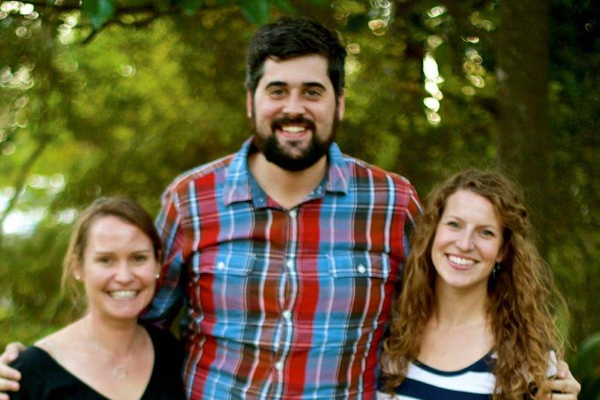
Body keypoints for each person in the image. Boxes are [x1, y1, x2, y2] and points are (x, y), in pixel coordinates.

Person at [0, 17, 580, 400]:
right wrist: (39, 365)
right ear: (251, 101)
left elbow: (456, 290)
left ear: (339, 103)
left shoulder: (391, 202)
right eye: (277, 90)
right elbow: (132, 316)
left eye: (312, 91)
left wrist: (540, 367)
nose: (294, 108)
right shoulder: (191, 201)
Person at [378, 170, 573, 399]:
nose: (464, 244)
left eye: (485, 232)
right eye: (454, 224)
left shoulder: (526, 355)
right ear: (433, 231)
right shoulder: (388, 331)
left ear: (502, 250)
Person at [5, 198, 185, 400]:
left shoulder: (172, 354)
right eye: (105, 260)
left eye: (138, 258)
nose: (124, 277)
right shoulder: (30, 373)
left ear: (158, 263)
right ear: (78, 267)